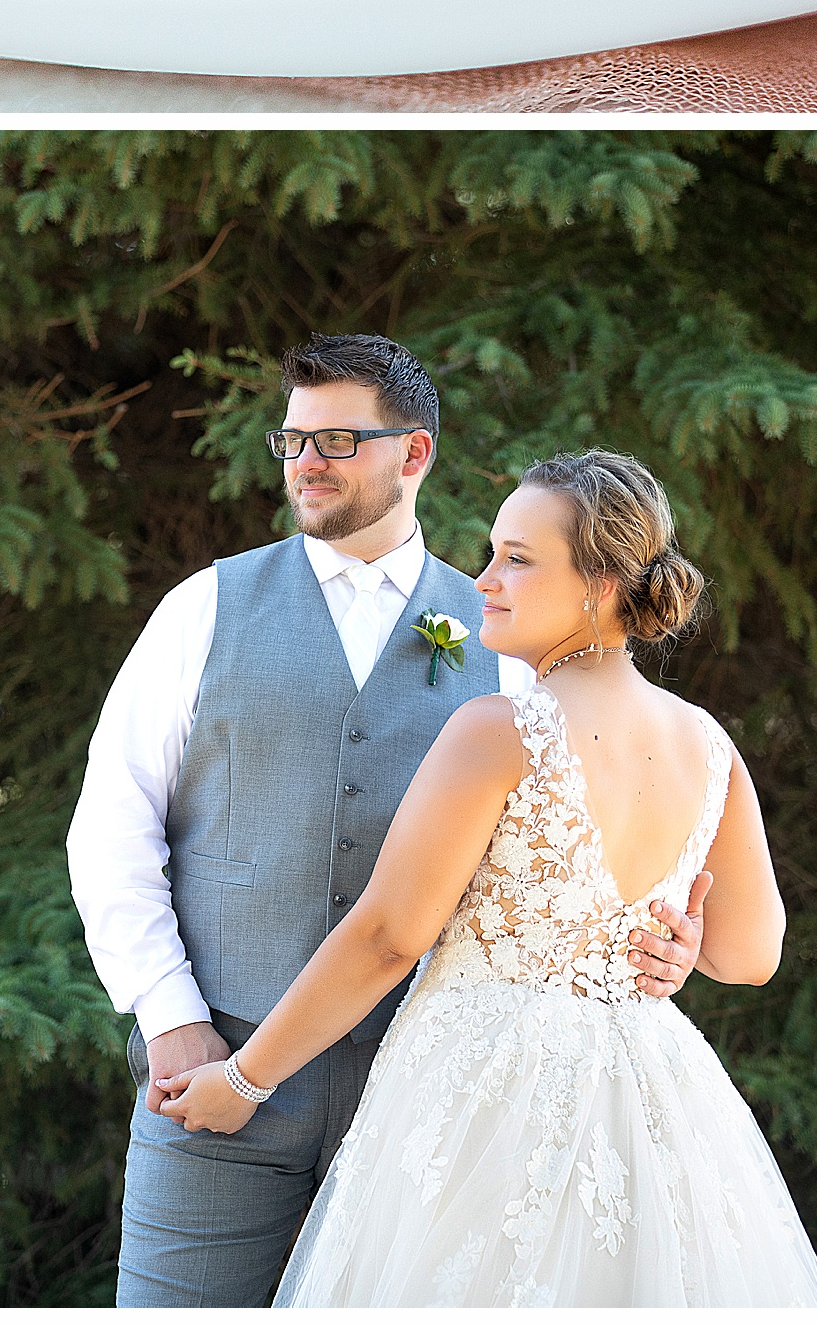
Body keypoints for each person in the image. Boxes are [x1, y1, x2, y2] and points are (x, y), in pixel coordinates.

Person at [67, 341, 708, 1307]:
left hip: (424, 1101)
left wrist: (661, 937)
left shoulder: (503, 637)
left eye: (334, 438)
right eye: (291, 438)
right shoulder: (203, 607)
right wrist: (172, 1018)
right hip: (211, 1079)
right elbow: (111, 828)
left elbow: (576, 843)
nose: (304, 462)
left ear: (414, 454)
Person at [162, 447, 817, 1308]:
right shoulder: (709, 743)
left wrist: (245, 1078)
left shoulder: (501, 729)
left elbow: (387, 935)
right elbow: (749, 954)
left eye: (517, 557)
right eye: (491, 552)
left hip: (487, 1103)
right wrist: (683, 939)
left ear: (599, 584)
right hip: (654, 1102)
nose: (483, 578)